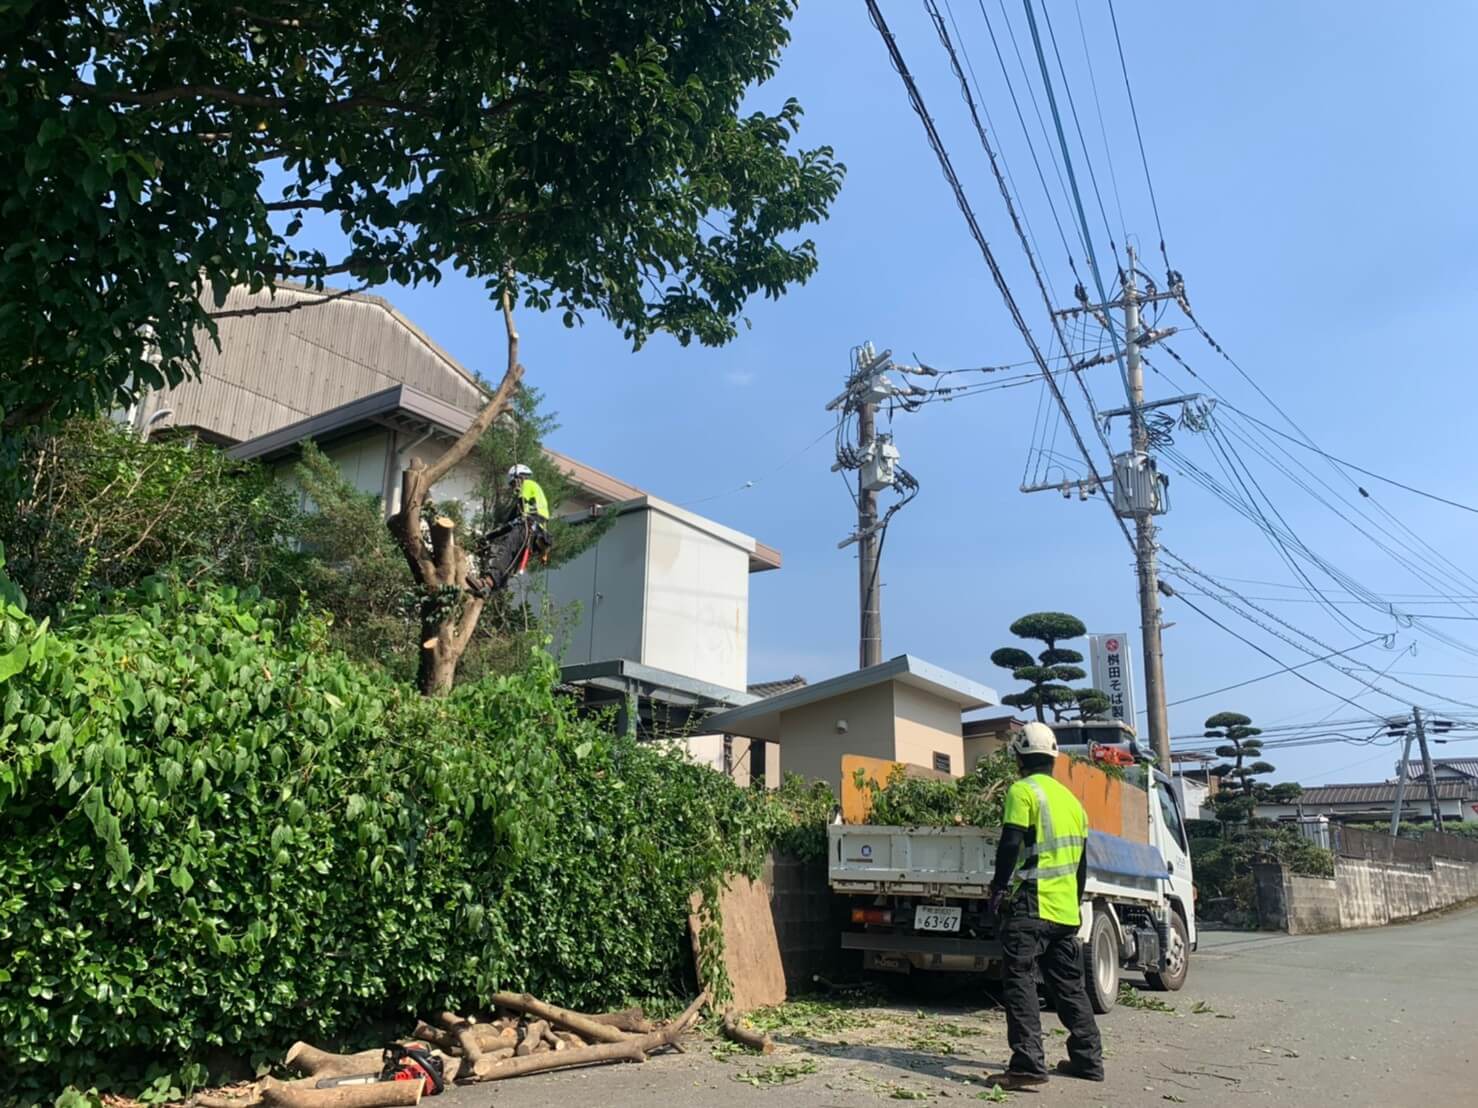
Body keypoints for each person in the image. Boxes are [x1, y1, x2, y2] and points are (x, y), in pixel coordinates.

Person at [984, 721, 1104, 1090]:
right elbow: (1081, 866)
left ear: (1019, 757)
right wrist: (1074, 901)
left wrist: (998, 888)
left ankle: (1028, 1065)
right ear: (1054, 759)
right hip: (1065, 911)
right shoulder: (1073, 803)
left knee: (1019, 981)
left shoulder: (1023, 791)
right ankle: (1087, 1059)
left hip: (1031, 906)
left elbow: (1009, 844)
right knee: (1069, 986)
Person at [468, 464, 550, 596]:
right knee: (510, 562)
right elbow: (507, 525)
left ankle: (488, 582)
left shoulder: (528, 484)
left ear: (519, 478)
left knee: (506, 550)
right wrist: (487, 537)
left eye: (513, 484)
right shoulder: (528, 500)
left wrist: (519, 492)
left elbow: (517, 510)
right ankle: (491, 590)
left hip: (529, 527)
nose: (513, 488)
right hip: (535, 535)